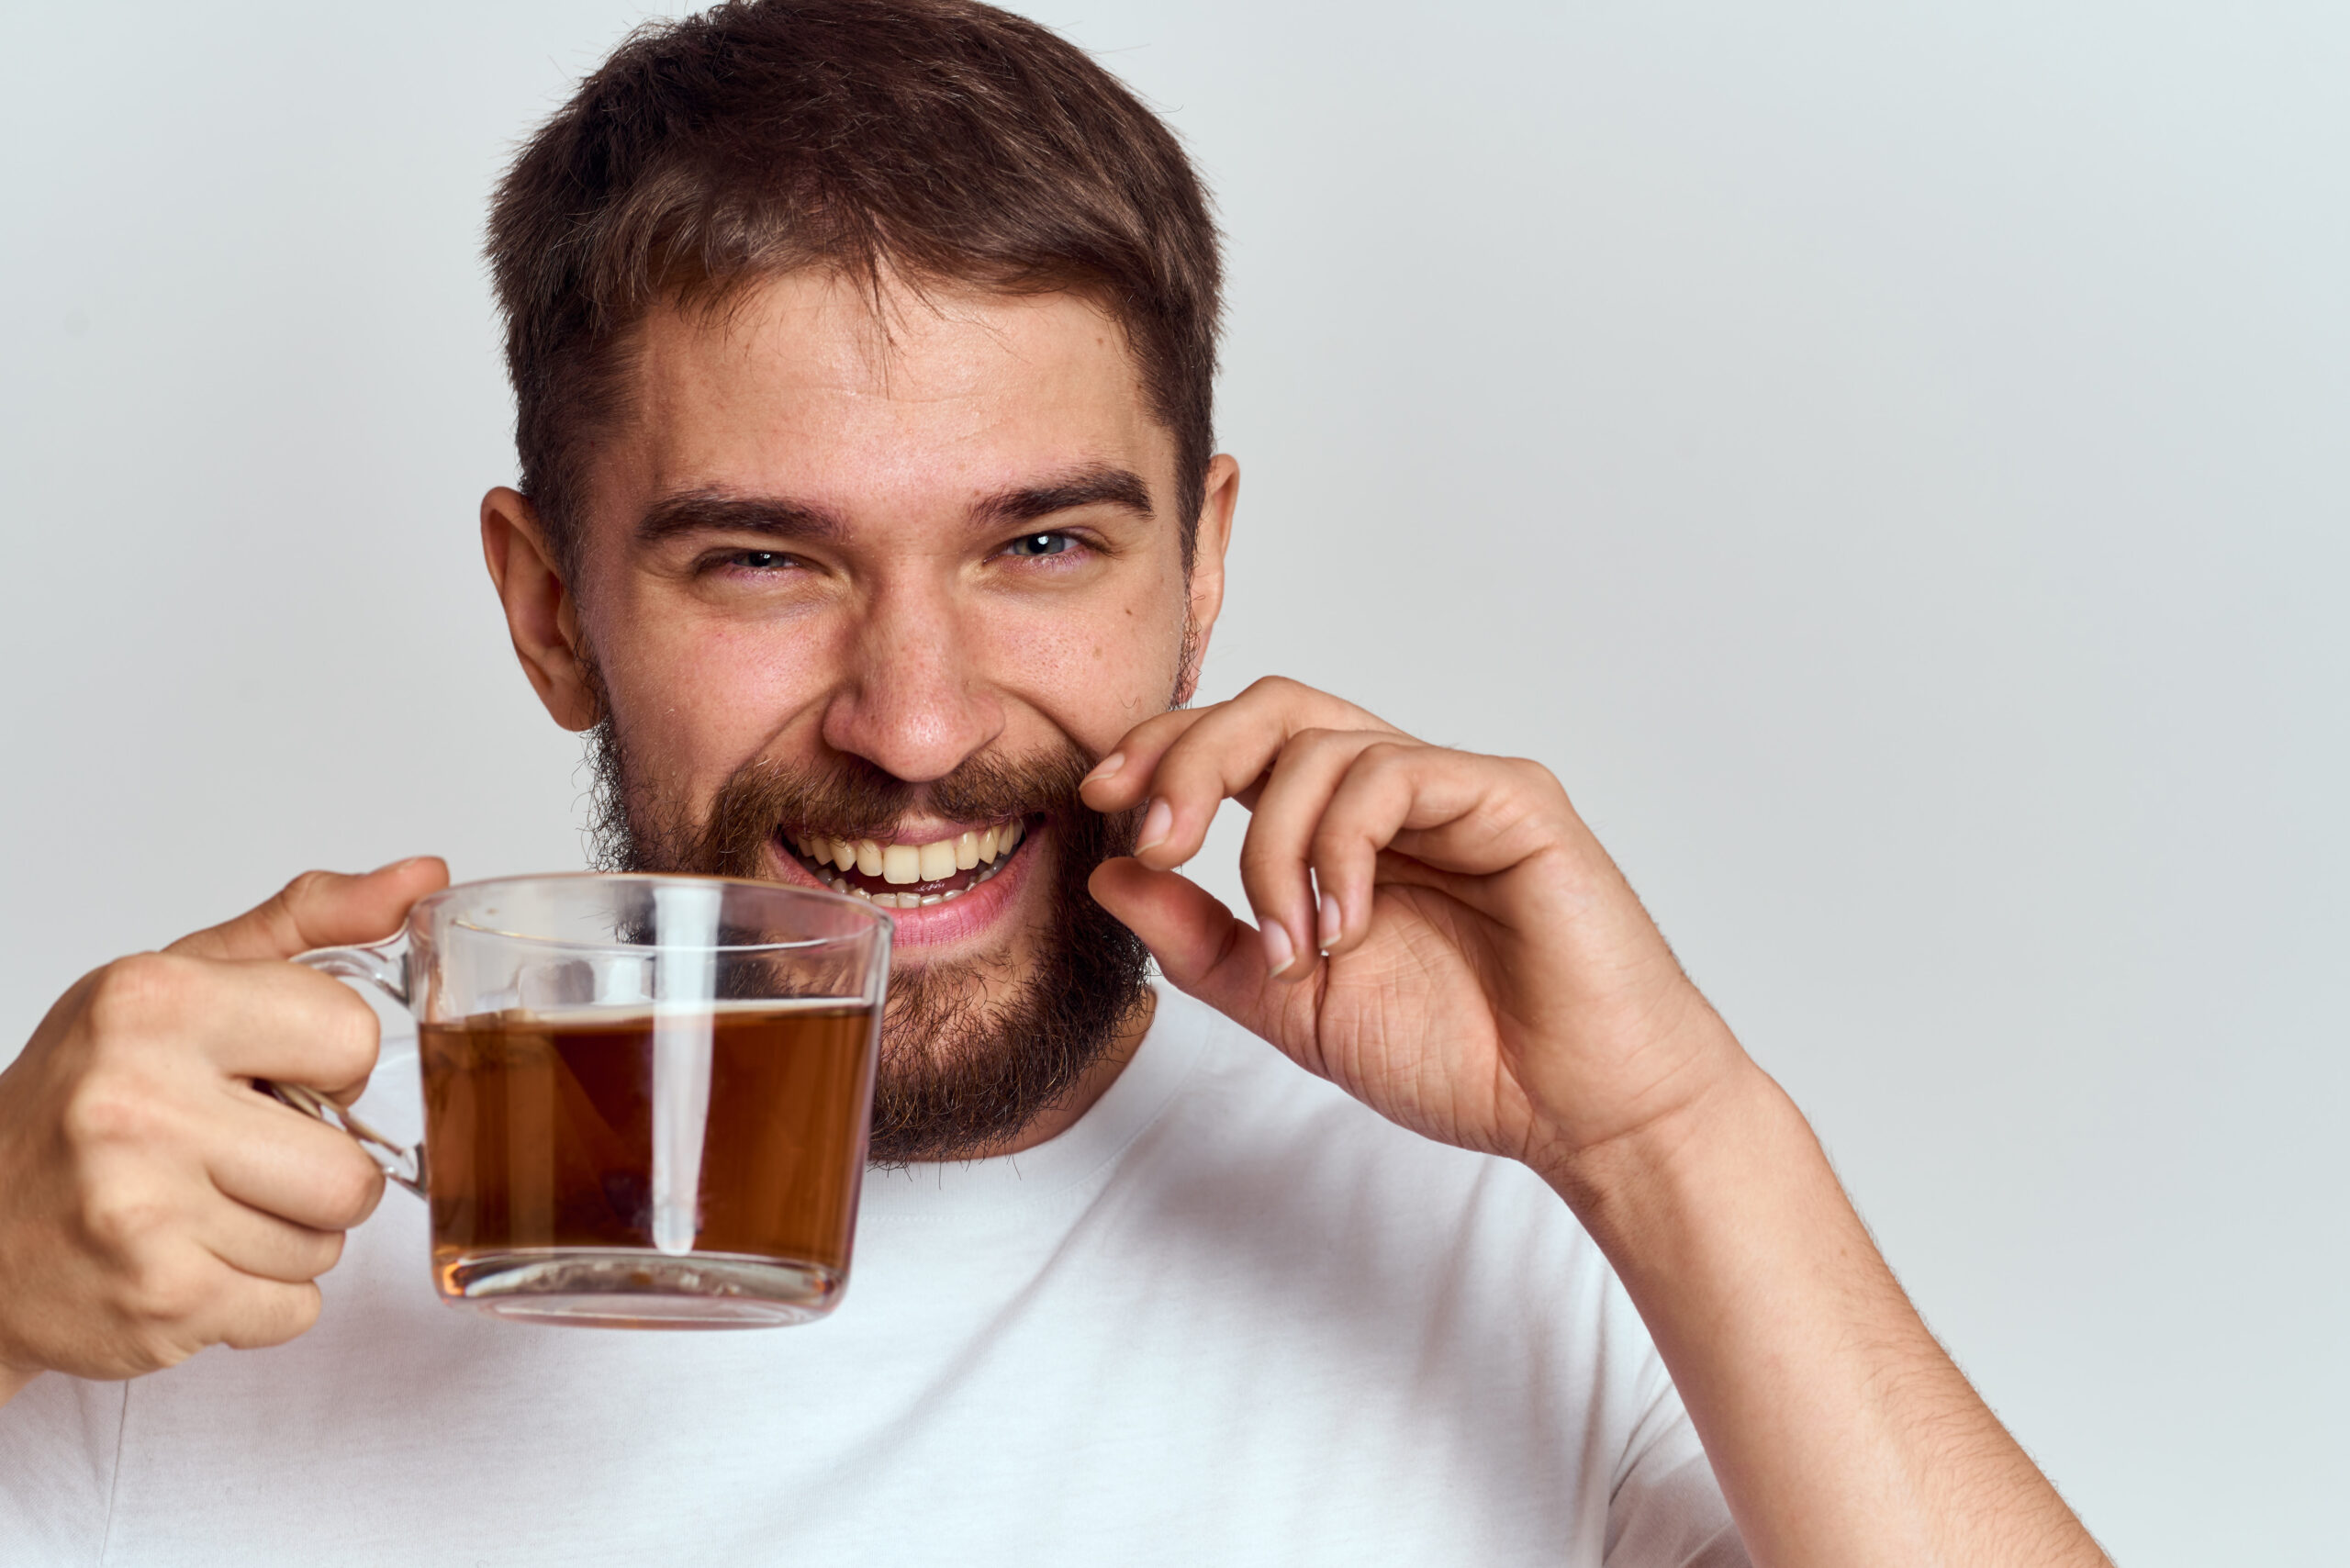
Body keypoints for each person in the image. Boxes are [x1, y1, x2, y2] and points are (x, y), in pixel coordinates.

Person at [0, 3, 2111, 1563]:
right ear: (552, 607)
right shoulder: (169, 1245)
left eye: (1039, 547)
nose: (914, 722)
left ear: (1201, 570)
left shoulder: (1513, 1219)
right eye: (763, 557)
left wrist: (1667, 1133)